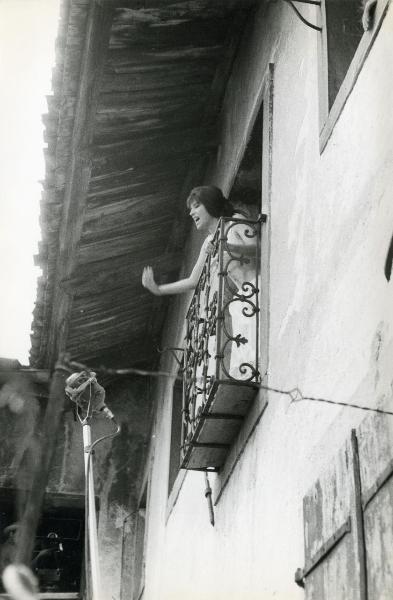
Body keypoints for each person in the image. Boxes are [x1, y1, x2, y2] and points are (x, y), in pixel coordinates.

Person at [142, 185, 258, 381]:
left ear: (210, 205)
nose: (191, 212)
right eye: (190, 208)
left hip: (257, 288)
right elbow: (193, 280)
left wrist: (226, 247)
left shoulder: (234, 222)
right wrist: (159, 289)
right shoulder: (208, 243)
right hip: (243, 303)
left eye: (196, 206)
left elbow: (258, 249)